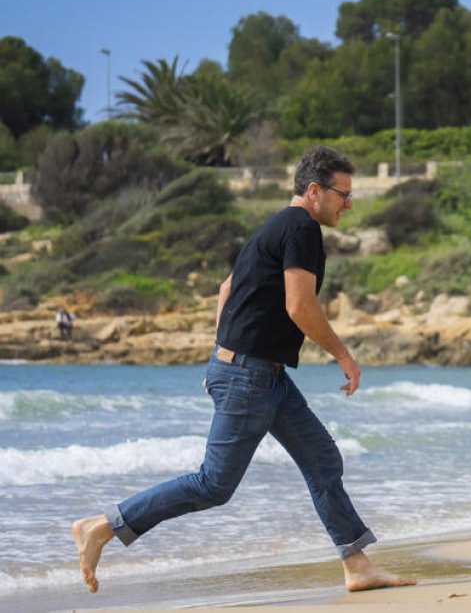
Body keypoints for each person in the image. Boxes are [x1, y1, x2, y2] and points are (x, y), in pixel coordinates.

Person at [71, 145, 414, 594]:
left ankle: (357, 565)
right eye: (342, 195)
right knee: (214, 484)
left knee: (322, 458)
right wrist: (344, 356)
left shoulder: (274, 226)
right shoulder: (302, 230)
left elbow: (226, 288)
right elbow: (299, 306)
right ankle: (103, 526)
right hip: (250, 376)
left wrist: (220, 354)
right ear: (314, 191)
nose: (348, 204)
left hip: (259, 374)